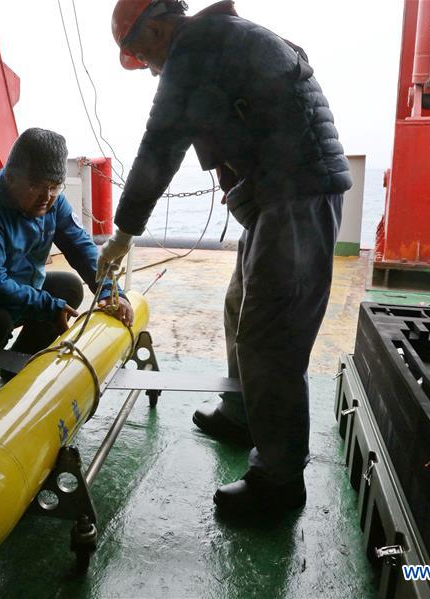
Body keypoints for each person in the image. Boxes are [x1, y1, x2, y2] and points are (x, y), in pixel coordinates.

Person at [100, 0, 352, 516]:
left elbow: (160, 145)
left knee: (271, 338)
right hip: (279, 198)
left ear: (160, 24)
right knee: (242, 306)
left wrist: (124, 233)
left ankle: (278, 482)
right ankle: (241, 413)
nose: (150, 68)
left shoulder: (197, 46)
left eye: (145, 53)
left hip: (297, 199)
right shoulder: (219, 41)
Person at [0, 128, 133, 418]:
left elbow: (82, 248)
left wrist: (111, 292)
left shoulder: (53, 203)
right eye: (36, 185)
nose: (46, 197)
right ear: (10, 176)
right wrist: (49, 307)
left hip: (16, 293)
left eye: (54, 186)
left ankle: (18, 366)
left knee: (68, 288)